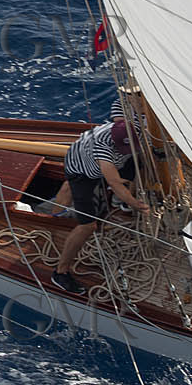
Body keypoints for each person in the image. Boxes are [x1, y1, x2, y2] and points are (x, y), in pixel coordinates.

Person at [50, 117, 150, 295]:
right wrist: (139, 205)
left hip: (116, 160)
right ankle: (60, 272)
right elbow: (115, 183)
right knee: (88, 225)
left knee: (140, 166)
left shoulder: (136, 128)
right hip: (81, 171)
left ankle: (123, 206)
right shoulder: (102, 150)